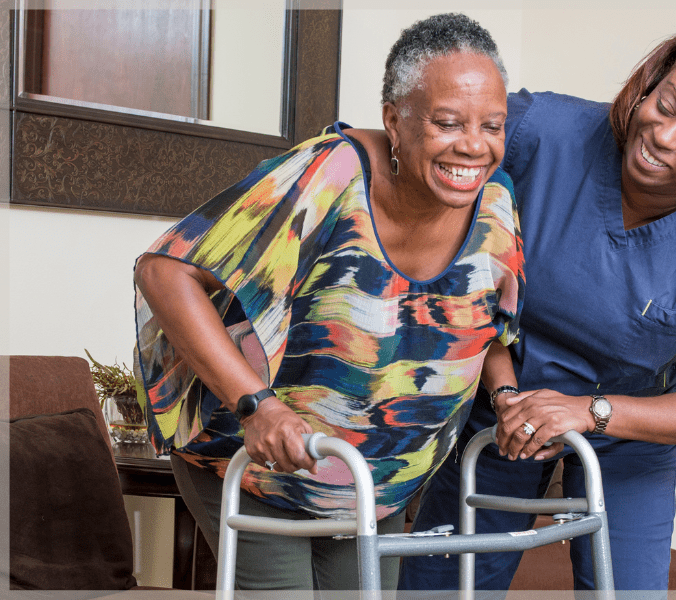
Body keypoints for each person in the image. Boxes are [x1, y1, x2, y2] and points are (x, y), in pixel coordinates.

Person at [399, 22, 676, 595]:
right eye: (664, 105)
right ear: (648, 86)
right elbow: (433, 156)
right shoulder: (547, 131)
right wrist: (507, 392)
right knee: (441, 587)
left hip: (628, 432)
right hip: (503, 406)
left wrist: (590, 412)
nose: (664, 136)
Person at [133, 13, 524, 591]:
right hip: (260, 465)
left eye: (492, 125)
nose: (473, 145)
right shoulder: (329, 175)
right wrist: (256, 406)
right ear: (394, 119)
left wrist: (509, 394)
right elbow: (165, 271)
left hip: (381, 480)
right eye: (447, 122)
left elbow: (482, 325)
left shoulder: (494, 203)